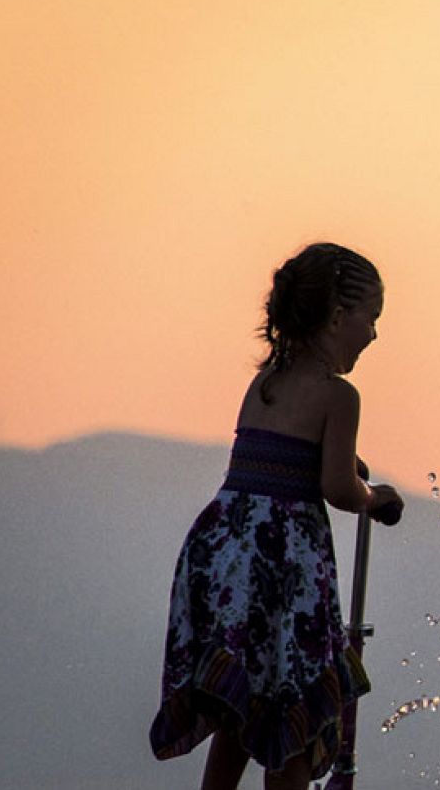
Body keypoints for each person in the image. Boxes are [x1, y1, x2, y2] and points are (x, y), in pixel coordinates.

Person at [150, 242, 403, 790]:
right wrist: (372, 496)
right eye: (371, 318)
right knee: (296, 702)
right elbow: (336, 487)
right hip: (285, 563)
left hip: (227, 553)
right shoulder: (340, 397)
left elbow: (277, 455)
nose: (375, 334)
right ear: (338, 317)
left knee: (244, 698)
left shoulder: (264, 382)